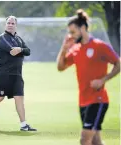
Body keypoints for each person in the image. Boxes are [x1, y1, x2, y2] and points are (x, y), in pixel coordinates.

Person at [57, 9, 120, 145]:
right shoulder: (75, 49)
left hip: (98, 99)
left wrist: (103, 80)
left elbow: (118, 63)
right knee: (95, 141)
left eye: (73, 32)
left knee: (85, 140)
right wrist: (64, 49)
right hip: (83, 101)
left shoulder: (99, 46)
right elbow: (60, 67)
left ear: (83, 28)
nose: (71, 36)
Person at [0, 16, 37, 131]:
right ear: (5, 25)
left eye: (13, 23)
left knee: (19, 98)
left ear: (15, 25)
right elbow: (12, 51)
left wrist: (21, 50)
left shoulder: (19, 39)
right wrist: (20, 50)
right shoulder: (2, 38)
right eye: (8, 23)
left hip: (16, 74)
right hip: (3, 73)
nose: (10, 25)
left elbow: (28, 51)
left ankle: (24, 125)